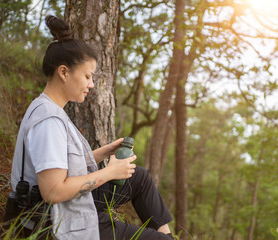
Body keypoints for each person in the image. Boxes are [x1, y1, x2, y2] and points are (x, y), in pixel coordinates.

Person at [9, 15, 173, 240]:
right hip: (55, 220)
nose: (91, 84)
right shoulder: (48, 122)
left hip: (64, 206)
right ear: (64, 72)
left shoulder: (49, 109)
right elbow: (53, 191)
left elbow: (63, 166)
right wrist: (109, 173)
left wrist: (105, 151)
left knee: (139, 178)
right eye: (87, 76)